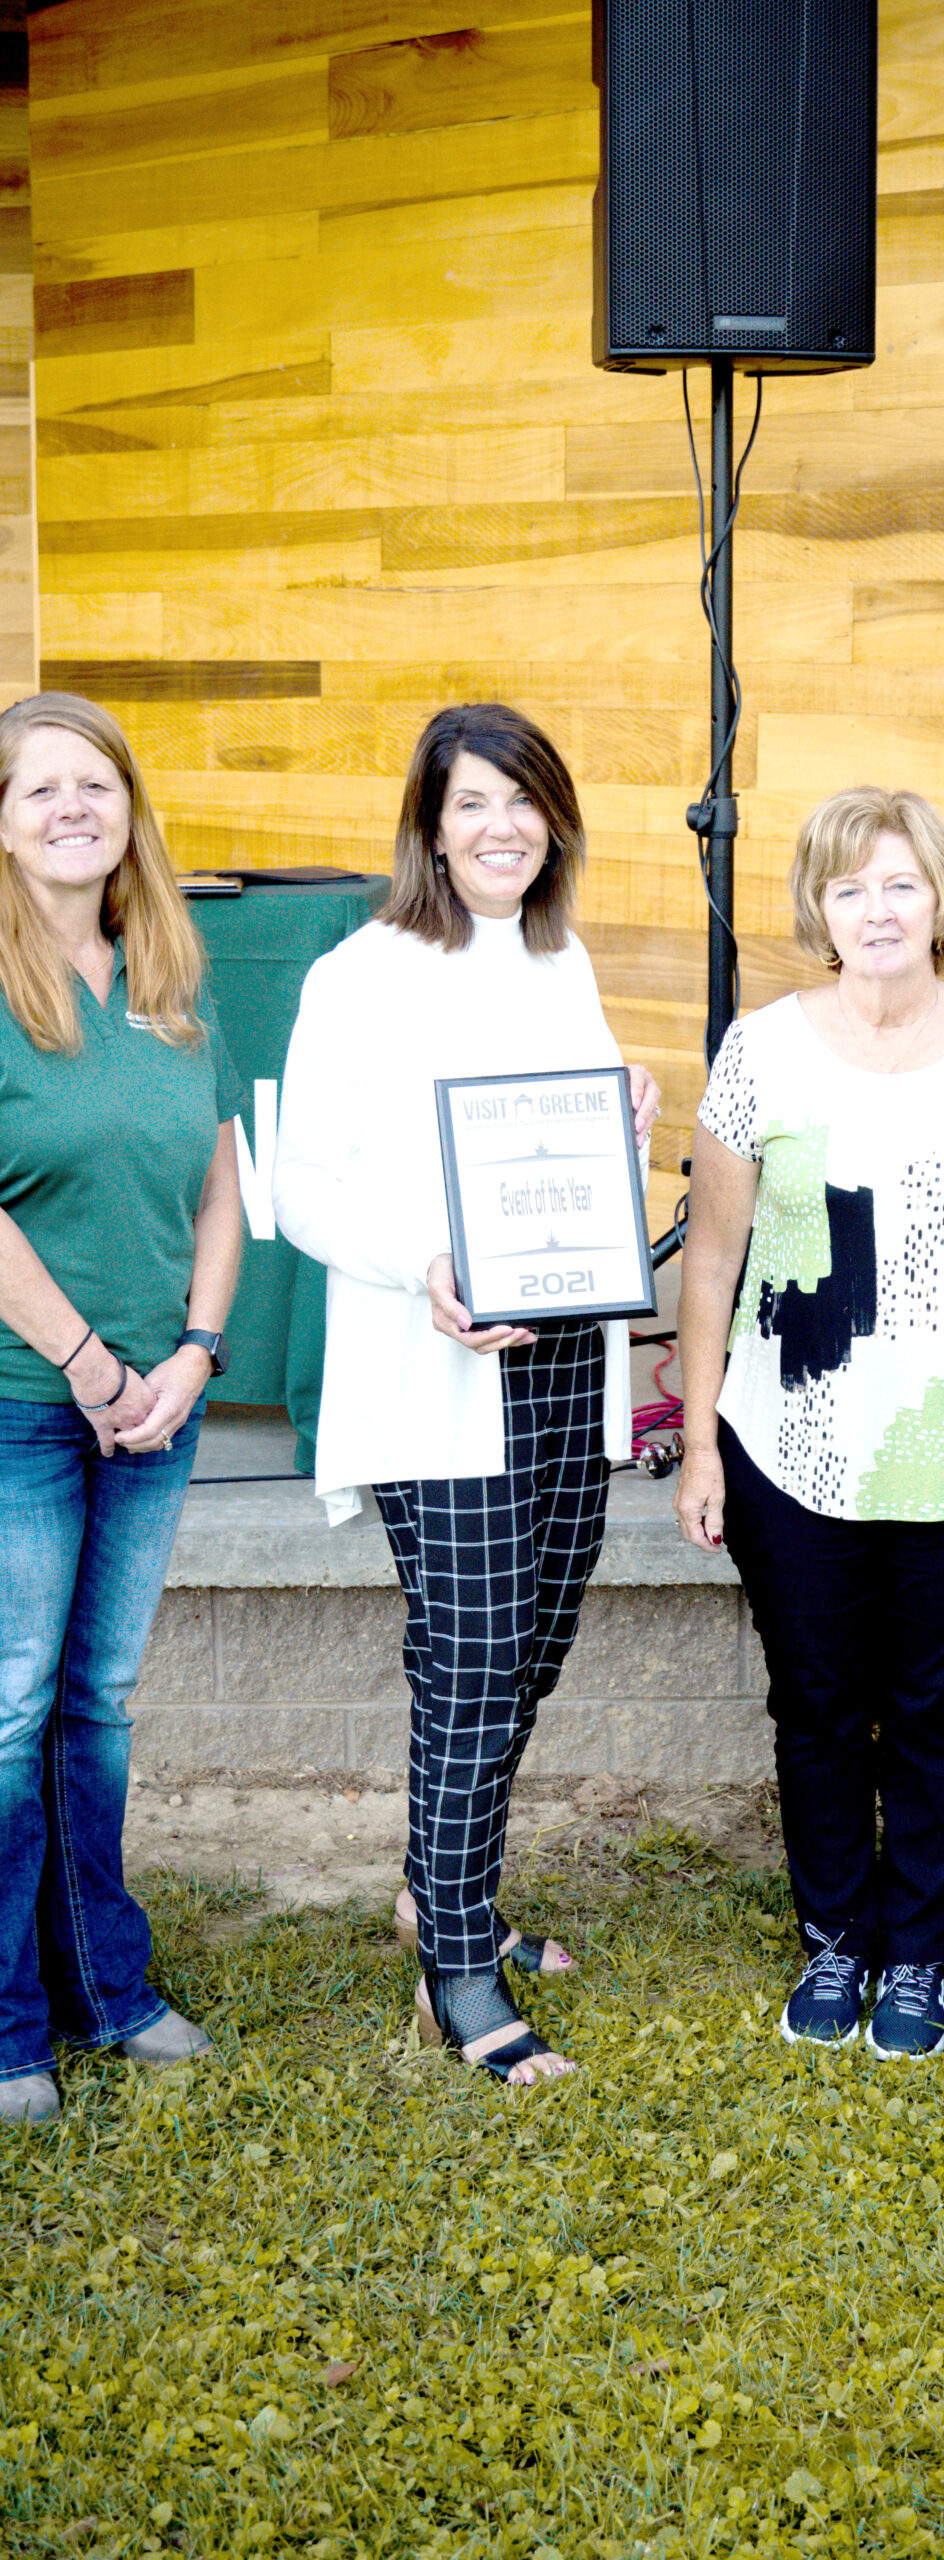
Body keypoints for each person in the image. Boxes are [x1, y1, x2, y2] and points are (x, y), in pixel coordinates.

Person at [272, 704, 660, 2089]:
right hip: (444, 1364)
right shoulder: (362, 973)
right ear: (431, 824)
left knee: (536, 1642)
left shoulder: (559, 956)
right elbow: (304, 1185)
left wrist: (628, 1113)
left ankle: (451, 1893)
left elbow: (557, 1156)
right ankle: (456, 1970)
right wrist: (421, 1265)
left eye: (525, 801)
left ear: (553, 819)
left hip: (561, 1357)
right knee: (475, 1666)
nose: (502, 827)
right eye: (474, 802)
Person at [674, 786, 944, 2059]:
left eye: (901, 883)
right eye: (851, 888)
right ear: (821, 910)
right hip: (790, 1447)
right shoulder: (760, 1051)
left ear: (940, 898)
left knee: (937, 1710)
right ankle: (835, 1940)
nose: (878, 909)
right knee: (817, 1709)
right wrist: (695, 1441)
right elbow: (712, 1259)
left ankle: (916, 1955)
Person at [0, 693, 245, 2128]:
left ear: (131, 812)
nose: (75, 809)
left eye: (98, 786)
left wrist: (200, 1354)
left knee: (95, 1705)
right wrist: (94, 1368)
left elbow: (222, 1186)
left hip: (161, 1405)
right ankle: (11, 2025)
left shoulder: (165, 977)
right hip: (27, 1402)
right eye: (42, 790)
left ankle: (110, 1989)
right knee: (13, 1710)